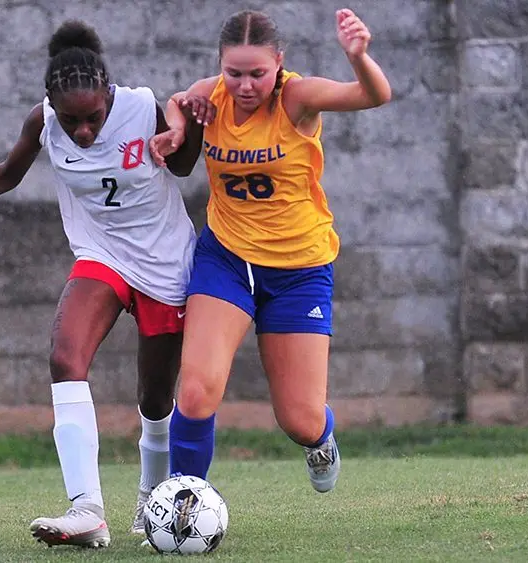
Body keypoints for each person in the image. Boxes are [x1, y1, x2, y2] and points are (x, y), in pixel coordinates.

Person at [0, 20, 209, 548]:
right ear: (50, 104)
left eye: (92, 118)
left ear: (109, 95)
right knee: (66, 357)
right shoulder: (43, 121)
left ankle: (151, 499)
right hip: (101, 255)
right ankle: (86, 508)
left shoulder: (140, 106)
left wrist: (189, 130)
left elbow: (181, 166)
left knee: (156, 398)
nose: (83, 131)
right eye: (72, 121)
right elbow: (6, 173)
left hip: (164, 264)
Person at [149, 8, 392, 494]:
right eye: (233, 72)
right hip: (226, 260)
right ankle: (181, 501)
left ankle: (321, 439)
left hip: (299, 269)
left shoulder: (296, 98)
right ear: (221, 65)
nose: (244, 85)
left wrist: (358, 57)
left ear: (278, 63)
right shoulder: (211, 95)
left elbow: (373, 94)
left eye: (257, 73)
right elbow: (177, 100)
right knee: (196, 391)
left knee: (299, 420)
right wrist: (177, 128)